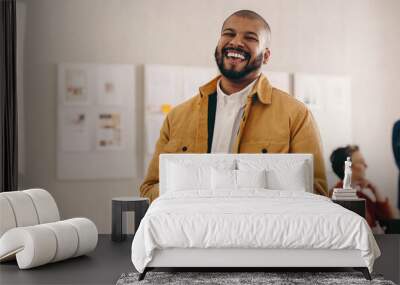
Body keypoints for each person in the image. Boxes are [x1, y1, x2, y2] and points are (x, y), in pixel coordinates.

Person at [140, 10, 328, 202]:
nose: (236, 42)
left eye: (250, 37)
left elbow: (316, 193)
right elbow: (150, 189)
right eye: (229, 34)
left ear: (266, 56)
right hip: (193, 229)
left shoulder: (296, 115)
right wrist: (191, 198)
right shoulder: (177, 117)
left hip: (261, 230)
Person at [330, 145, 396, 233]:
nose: (366, 165)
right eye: (361, 162)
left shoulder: (360, 195)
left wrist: (375, 190)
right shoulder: (338, 195)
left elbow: (390, 219)